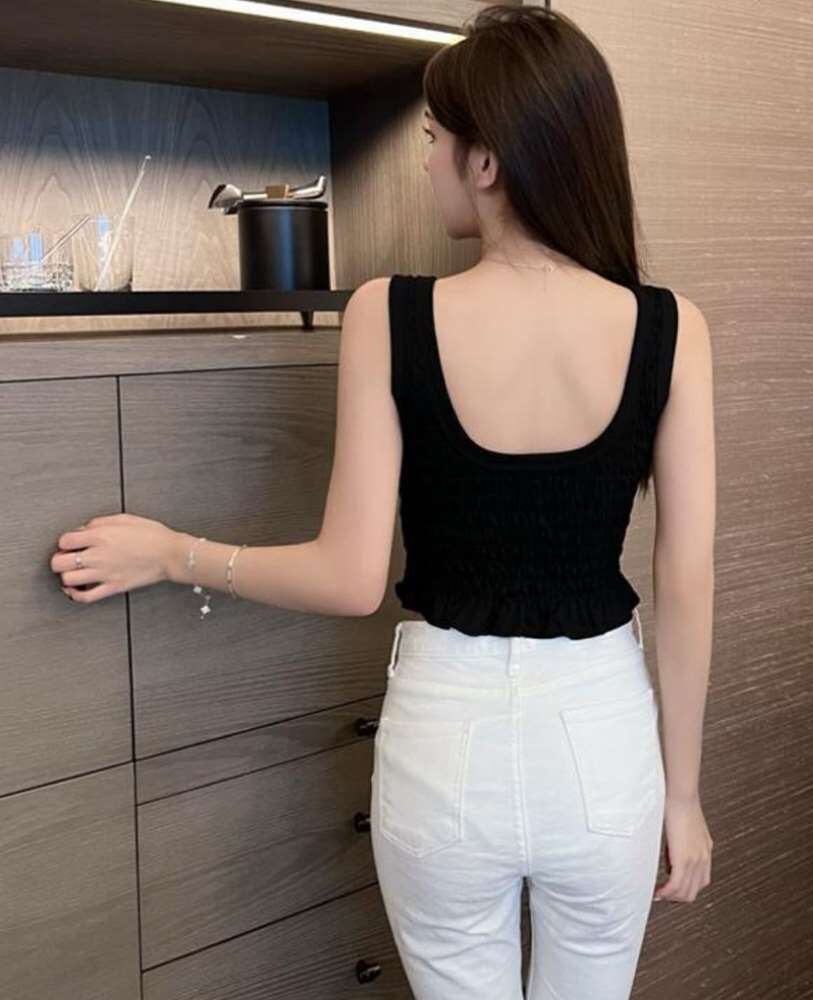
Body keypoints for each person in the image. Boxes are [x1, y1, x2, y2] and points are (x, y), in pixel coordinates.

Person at [49, 5, 715, 999]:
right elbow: (686, 579)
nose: (427, 162)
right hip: (604, 742)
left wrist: (172, 552)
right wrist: (684, 794)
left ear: (486, 162)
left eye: (435, 140)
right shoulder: (672, 328)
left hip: (446, 744)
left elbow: (351, 576)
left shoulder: (386, 315)